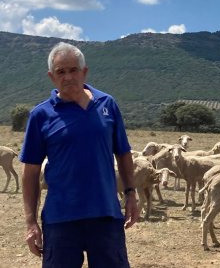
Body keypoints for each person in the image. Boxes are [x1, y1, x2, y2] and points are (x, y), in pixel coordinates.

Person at [20, 42, 139, 268]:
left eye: (73, 70)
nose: (68, 77)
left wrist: (131, 193)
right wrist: (30, 222)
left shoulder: (107, 104)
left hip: (105, 214)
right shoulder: (41, 115)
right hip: (60, 219)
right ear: (51, 77)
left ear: (84, 71)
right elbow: (31, 172)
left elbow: (123, 153)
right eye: (60, 72)